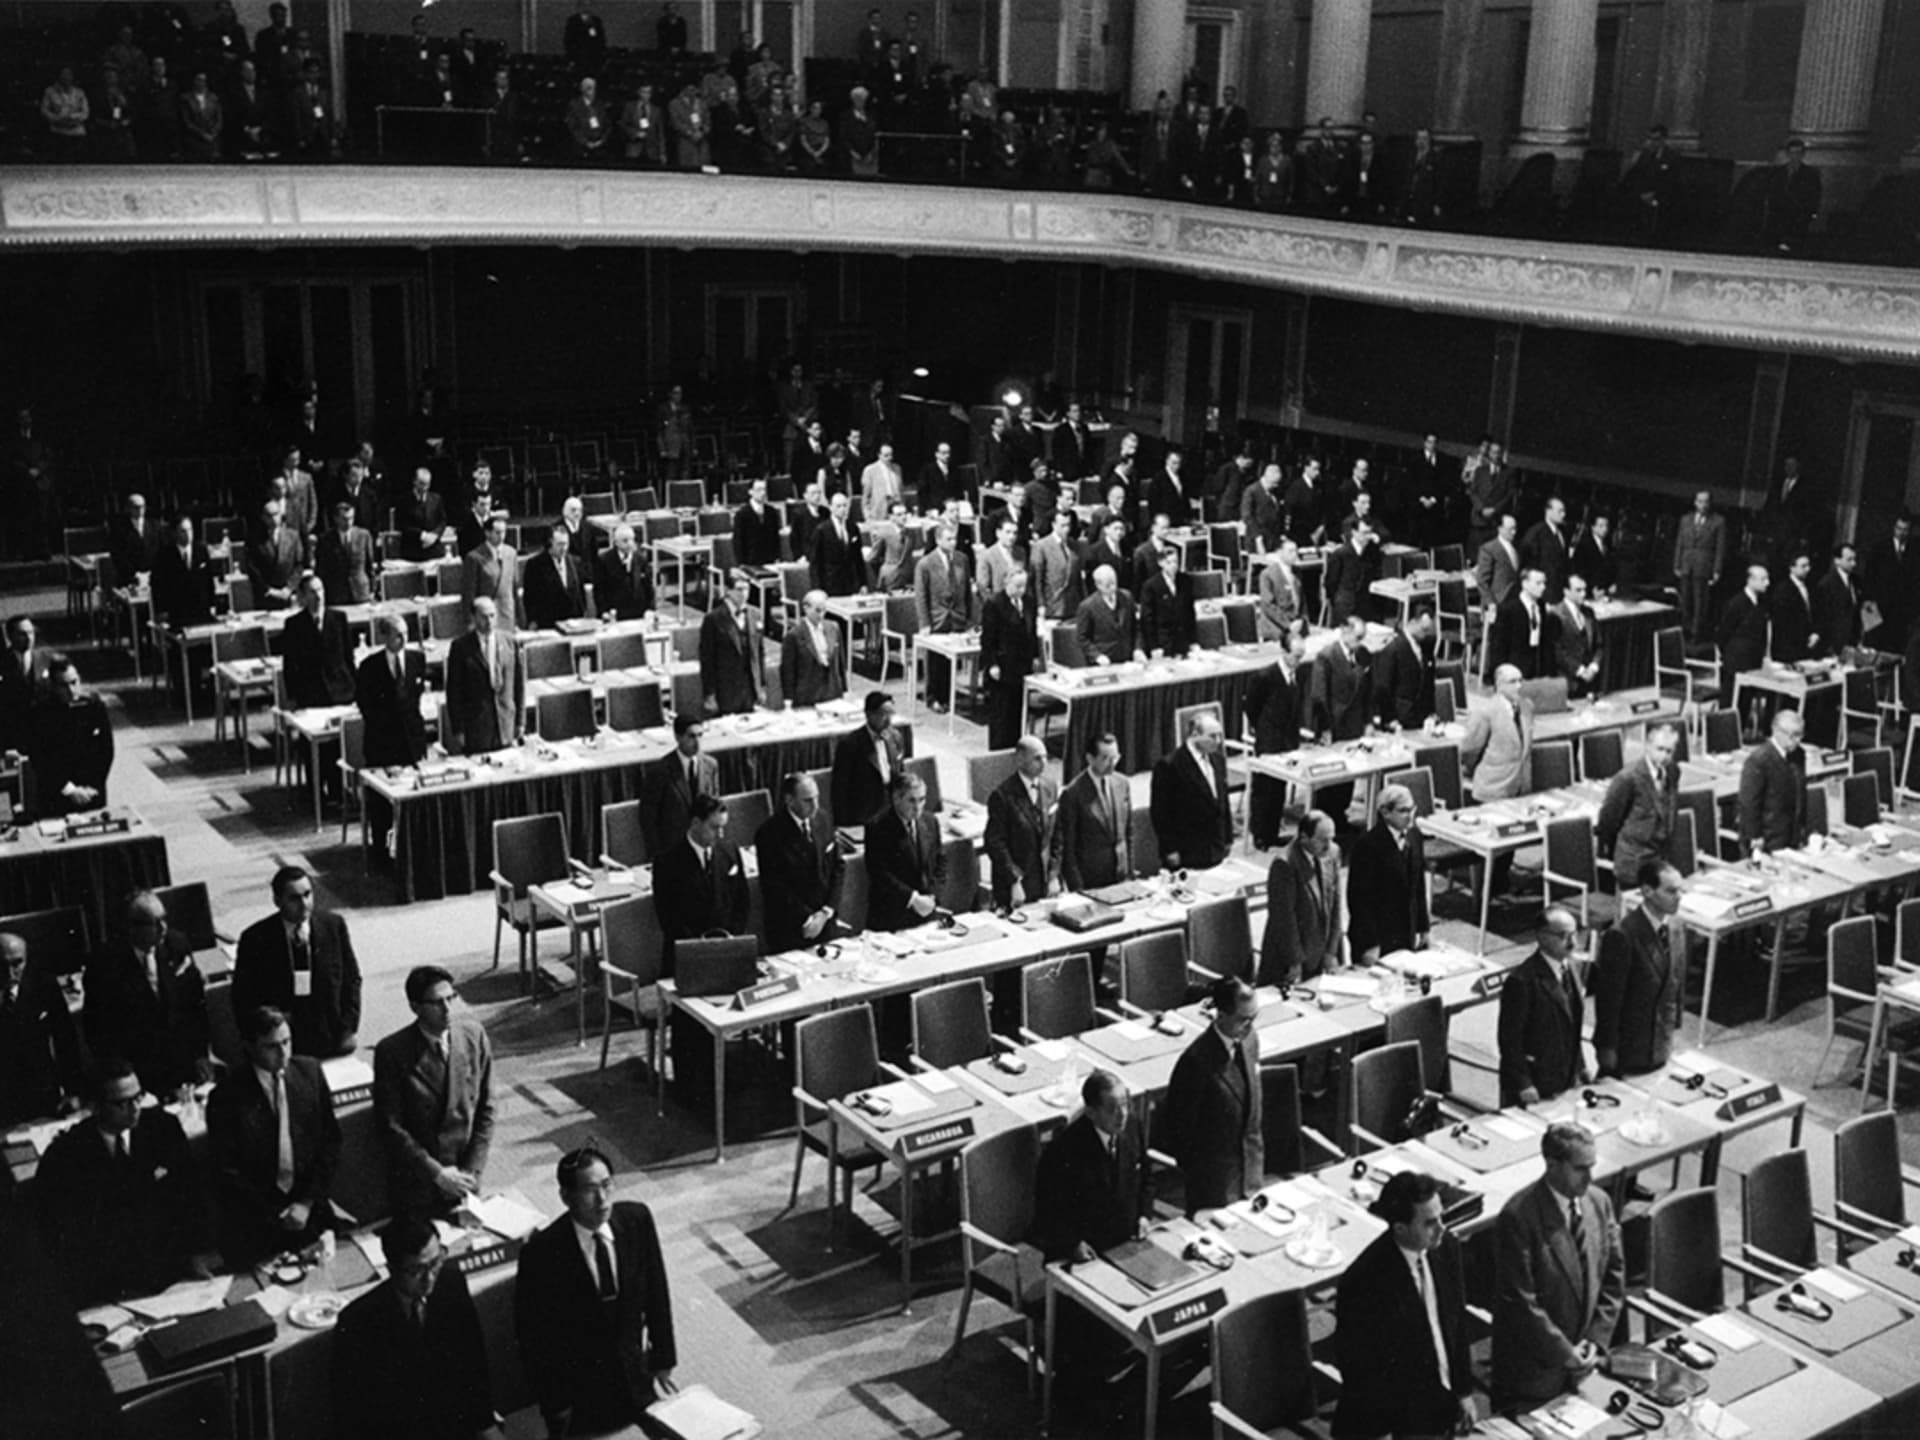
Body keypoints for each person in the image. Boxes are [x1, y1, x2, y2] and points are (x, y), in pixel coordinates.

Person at [516, 1147, 677, 1437]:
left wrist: (664, 1357)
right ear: (566, 1197)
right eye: (590, 1190)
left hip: (636, 1378)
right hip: (581, 1395)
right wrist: (556, 1404)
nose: (602, 1200)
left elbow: (657, 1291)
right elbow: (534, 1339)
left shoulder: (636, 1220)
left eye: (606, 1185)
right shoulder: (541, 1254)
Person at [34, 1057, 215, 1304]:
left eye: (138, 1097)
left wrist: (196, 1253)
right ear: (95, 1106)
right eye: (122, 1103)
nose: (135, 1108)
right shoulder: (66, 1156)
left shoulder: (163, 1128)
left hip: (173, 1273)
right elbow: (68, 1241)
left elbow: (192, 1197)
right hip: (107, 1287)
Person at [1334, 1171, 1477, 1440]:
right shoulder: (1363, 1282)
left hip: (1441, 1407)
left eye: (1441, 1218)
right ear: (1400, 1227)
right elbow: (1360, 1371)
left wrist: (1464, 1391)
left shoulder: (1446, 1248)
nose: (1442, 1229)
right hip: (1391, 1422)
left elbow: (1456, 1324)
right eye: (1430, 1223)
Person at [333, 1216, 504, 1440]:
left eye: (436, 1262)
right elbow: (354, 1414)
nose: (430, 1277)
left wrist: (485, 1424)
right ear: (392, 1269)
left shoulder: (451, 1284)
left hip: (453, 1425)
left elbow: (474, 1363)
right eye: (416, 1270)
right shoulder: (358, 1322)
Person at [1492, 1123, 1624, 1411]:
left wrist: (1595, 1340)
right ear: (1552, 1164)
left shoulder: (1599, 1203)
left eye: (1592, 1166)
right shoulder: (1518, 1217)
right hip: (1534, 1375)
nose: (1590, 1177)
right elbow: (1521, 1301)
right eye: (1580, 1168)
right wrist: (1566, 1353)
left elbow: (1613, 1276)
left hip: (1588, 1362)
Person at [207, 1004, 341, 1265]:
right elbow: (227, 1170)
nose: (283, 1053)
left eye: (287, 1042)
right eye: (272, 1046)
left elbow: (330, 1143)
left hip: (310, 1210)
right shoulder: (226, 1097)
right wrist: (278, 1213)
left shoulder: (310, 1072)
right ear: (249, 1047)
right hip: (259, 1219)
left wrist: (306, 1203)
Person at [372, 966, 494, 1219]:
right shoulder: (393, 1052)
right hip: (420, 1178)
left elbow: (487, 1107)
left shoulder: (473, 1035)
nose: (448, 1009)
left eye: (451, 998)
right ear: (415, 1007)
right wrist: (437, 1173)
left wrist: (471, 1172)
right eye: (437, 1003)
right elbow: (391, 1125)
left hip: (465, 1175)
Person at [82, 890, 211, 1097]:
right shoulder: (104, 964)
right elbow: (97, 1031)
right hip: (137, 1072)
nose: (163, 928)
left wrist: (200, 1054)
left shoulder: (176, 945)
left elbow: (195, 1007)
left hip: (182, 1063)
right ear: (131, 927)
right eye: (154, 923)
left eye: (164, 919)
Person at [232, 865, 362, 1058]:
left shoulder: (333, 926)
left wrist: (348, 1027)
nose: (304, 904)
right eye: (294, 898)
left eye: (308, 894)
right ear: (277, 901)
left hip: (330, 1034)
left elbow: (352, 980)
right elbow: (243, 996)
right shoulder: (255, 939)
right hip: (282, 1043)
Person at [1161, 977, 1263, 1212]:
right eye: (1243, 1019)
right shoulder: (1195, 1061)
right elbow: (1178, 1130)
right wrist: (1200, 1172)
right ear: (1221, 1015)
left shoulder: (1249, 1039)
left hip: (1251, 1171)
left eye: (1254, 1017)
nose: (1249, 1026)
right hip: (1213, 1182)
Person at [1033, 1070, 1148, 1262]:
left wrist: (1144, 1214)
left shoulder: (1133, 1127)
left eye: (1125, 1105)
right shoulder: (1064, 1150)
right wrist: (1072, 1244)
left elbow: (1146, 1177)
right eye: (1112, 1108)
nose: (1123, 1115)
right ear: (1091, 1112)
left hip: (1128, 1242)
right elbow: (1048, 1211)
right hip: (1085, 1250)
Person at [1592, 861, 1684, 1080]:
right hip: (1629, 1048)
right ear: (1647, 891)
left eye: (1680, 890)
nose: (1678, 897)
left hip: (1661, 1044)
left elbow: (1675, 980)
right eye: (1671, 891)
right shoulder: (1622, 935)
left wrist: (1673, 1028)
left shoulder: (1677, 926)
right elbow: (1609, 1000)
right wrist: (1607, 1048)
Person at [1497, 907, 1588, 1107]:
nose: (1572, 942)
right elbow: (1509, 1040)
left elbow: (1571, 1025)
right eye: (1563, 936)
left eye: (1575, 934)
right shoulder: (1522, 981)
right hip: (1535, 1081)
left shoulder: (1572, 968)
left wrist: (1580, 1066)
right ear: (1542, 937)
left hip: (1566, 1075)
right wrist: (1524, 1083)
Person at [652, 794, 752, 976]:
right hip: (688, 959)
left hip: (728, 951)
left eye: (723, 827)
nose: (720, 834)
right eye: (715, 828)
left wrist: (730, 940)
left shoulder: (730, 851)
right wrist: (704, 950)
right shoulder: (667, 862)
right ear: (696, 823)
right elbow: (670, 919)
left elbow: (742, 901)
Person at [0, 930, 83, 1124]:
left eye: (17, 963)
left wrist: (74, 1091)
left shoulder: (43, 986)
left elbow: (66, 1040)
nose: (10, 973)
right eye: (1, 965)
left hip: (41, 1093)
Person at [756, 772, 845, 953]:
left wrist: (826, 912)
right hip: (791, 929)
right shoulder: (769, 834)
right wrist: (808, 918)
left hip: (825, 923)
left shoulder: (824, 819)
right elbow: (775, 887)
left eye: (817, 798)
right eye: (807, 800)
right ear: (789, 800)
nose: (815, 806)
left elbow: (838, 867)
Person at [1244, 619, 1310, 847]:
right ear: (1283, 652)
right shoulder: (1265, 677)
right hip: (1269, 740)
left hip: (1288, 740)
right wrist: (1263, 729)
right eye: (1295, 657)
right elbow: (1252, 707)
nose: (1298, 662)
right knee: (1264, 790)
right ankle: (1260, 835)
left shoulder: (1296, 676)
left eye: (1301, 657)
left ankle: (1272, 832)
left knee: (1278, 789)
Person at [1347, 784, 1430, 965]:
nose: (1410, 816)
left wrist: (1423, 928)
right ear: (1385, 812)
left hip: (1406, 932)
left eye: (1412, 809)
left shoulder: (1414, 836)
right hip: (1377, 938)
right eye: (1403, 811)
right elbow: (1359, 901)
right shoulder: (1367, 845)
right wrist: (1370, 943)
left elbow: (1419, 886)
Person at [1260, 808, 1344, 985]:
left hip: (1323, 951)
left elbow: (1336, 904)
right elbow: (1284, 919)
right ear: (1304, 837)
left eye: (1331, 838)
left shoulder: (1333, 852)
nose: (1328, 846)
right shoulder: (1285, 864)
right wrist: (1294, 961)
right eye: (1322, 840)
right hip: (1292, 955)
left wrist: (1332, 951)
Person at [1595, 722, 1679, 885]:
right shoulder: (1628, 777)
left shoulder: (1673, 772)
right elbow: (1609, 820)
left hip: (1660, 858)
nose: (1664, 756)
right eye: (1659, 749)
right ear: (1648, 746)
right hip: (1634, 860)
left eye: (1669, 751)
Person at [28, 655, 114, 815]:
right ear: (53, 686)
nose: (71, 690)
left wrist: (93, 786)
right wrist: (70, 790)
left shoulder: (94, 706)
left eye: (74, 683)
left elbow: (106, 750)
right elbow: (40, 758)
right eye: (63, 685)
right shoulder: (41, 713)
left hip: (91, 793)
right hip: (57, 796)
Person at [1150, 709, 1232, 870]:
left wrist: (1227, 837)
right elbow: (1161, 813)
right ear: (1195, 734)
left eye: (1220, 735)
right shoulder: (1169, 766)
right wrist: (1170, 849)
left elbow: (1223, 801)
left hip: (1215, 846)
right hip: (1187, 849)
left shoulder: (1218, 760)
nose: (1219, 741)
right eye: (1212, 736)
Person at [866, 771, 947, 930]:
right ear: (896, 799)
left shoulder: (930, 821)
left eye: (922, 800)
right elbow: (880, 874)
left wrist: (933, 895)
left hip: (927, 911)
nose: (918, 807)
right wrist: (913, 899)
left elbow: (941, 861)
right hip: (892, 915)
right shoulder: (877, 827)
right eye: (911, 801)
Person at [1053, 733, 1133, 893]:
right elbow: (1068, 847)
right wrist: (1077, 887)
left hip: (1121, 876)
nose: (1112, 764)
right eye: (1105, 758)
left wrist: (1130, 871)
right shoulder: (1073, 793)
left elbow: (1129, 832)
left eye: (1115, 757)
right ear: (1090, 759)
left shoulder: (1122, 783)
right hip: (1091, 881)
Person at [985, 736, 1055, 911]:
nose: (1044, 763)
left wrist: (1054, 875)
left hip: (1045, 880)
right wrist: (1014, 880)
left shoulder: (1050, 787)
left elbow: (1057, 834)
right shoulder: (1002, 796)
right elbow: (995, 843)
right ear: (1020, 759)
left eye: (1046, 757)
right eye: (1037, 758)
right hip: (1017, 885)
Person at [444, 598, 521, 754]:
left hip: (505, 724)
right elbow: (454, 692)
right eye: (484, 617)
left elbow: (519, 685)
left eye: (492, 616)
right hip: (476, 728)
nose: (489, 621)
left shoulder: (510, 642)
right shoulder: (460, 647)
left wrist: (521, 722)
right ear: (473, 618)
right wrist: (458, 729)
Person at [914, 522, 976, 711]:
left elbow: (967, 591)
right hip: (936, 618)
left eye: (954, 538)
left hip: (957, 617)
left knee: (951, 662)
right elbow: (921, 596)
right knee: (935, 661)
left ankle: (948, 696)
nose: (953, 542)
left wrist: (969, 619)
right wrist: (925, 623)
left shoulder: (962, 559)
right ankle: (933, 697)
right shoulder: (925, 563)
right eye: (948, 539)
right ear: (938, 540)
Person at [830, 690, 907, 829]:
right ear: (868, 715)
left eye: (891, 714)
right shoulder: (850, 745)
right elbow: (839, 790)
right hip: (864, 813)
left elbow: (900, 774)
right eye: (884, 714)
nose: (889, 720)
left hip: (892, 809)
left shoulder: (895, 737)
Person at [980, 565, 1038, 747]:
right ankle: (999, 751)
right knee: (1002, 714)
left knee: (1018, 710)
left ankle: (1017, 747)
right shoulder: (994, 604)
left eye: (1023, 586)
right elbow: (988, 638)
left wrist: (1035, 657)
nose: (1021, 590)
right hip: (1003, 665)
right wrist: (992, 664)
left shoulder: (1029, 602)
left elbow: (1032, 632)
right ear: (1007, 583)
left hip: (1022, 664)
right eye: (1017, 586)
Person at [1738, 707, 1807, 856]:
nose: (1798, 740)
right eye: (1793, 735)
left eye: (1800, 734)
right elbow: (1749, 803)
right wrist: (1755, 837)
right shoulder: (1758, 760)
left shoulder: (1799, 755)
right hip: (1767, 840)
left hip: (1792, 836)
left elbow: (1800, 793)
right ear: (1776, 731)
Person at [698, 568, 765, 716]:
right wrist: (710, 694)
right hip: (725, 690)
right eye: (739, 589)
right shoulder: (713, 619)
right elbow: (707, 660)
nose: (744, 594)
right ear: (728, 591)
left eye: (747, 589)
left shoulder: (755, 614)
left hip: (749, 690)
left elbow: (759, 654)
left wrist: (761, 686)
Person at [1673, 490, 1726, 646]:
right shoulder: (1686, 519)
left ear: (1710, 503)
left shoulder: (1718, 521)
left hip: (1703, 566)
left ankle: (1696, 634)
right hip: (1686, 564)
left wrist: (1716, 570)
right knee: (1685, 601)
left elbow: (1720, 548)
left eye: (1706, 501)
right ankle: (1684, 630)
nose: (1702, 505)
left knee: (1700, 603)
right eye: (1700, 501)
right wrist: (1677, 563)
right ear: (1695, 502)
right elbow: (1680, 543)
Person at [1373, 609, 1437, 731]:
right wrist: (1389, 719)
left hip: (1422, 718)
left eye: (1428, 630)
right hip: (1400, 718)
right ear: (1412, 623)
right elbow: (1383, 687)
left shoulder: (1427, 645)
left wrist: (1431, 713)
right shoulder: (1393, 649)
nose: (1426, 634)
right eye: (1423, 629)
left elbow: (1429, 684)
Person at [780, 588, 845, 708]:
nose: (821, 615)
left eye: (824, 610)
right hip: (807, 695)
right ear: (806, 608)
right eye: (818, 611)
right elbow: (788, 671)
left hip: (832, 692)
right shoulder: (794, 635)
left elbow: (840, 663)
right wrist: (788, 700)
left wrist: (845, 690)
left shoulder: (834, 627)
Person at [1488, 566, 1553, 680]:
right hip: (1515, 668)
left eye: (1544, 583)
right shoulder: (1508, 609)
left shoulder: (1541, 606)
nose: (1543, 587)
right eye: (1538, 583)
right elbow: (1498, 646)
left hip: (1536, 668)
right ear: (1525, 584)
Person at [1074, 564, 1142, 666]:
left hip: (1128, 659)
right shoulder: (1087, 606)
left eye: (1114, 583)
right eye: (1108, 585)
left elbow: (1137, 628)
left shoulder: (1127, 597)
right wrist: (1097, 656)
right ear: (1098, 585)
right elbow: (1082, 638)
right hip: (1104, 661)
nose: (1113, 587)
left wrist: (1138, 648)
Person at [462, 513, 521, 629]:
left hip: (507, 614)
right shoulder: (474, 557)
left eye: (504, 532)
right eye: (497, 533)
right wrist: (470, 621)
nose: (502, 536)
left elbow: (515, 587)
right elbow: (469, 592)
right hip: (486, 616)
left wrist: (520, 617)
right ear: (487, 533)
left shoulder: (511, 553)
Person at [523, 524, 588, 630]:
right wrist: (533, 620)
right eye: (560, 544)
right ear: (550, 543)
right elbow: (530, 597)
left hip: (573, 623)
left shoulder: (575, 562)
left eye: (566, 544)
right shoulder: (535, 565)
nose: (564, 548)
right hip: (548, 623)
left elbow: (580, 593)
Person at [314, 500, 374, 603]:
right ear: (336, 519)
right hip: (336, 594)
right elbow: (321, 569)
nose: (349, 523)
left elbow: (370, 566)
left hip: (361, 593)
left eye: (351, 518)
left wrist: (372, 589)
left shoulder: (364, 535)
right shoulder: (326, 539)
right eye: (344, 519)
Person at [1554, 572, 1603, 697]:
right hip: (1568, 682)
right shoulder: (1555, 615)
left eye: (1584, 590)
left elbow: (1599, 645)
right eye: (1578, 590)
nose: (1584, 594)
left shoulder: (1589, 612)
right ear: (1566, 591)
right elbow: (1557, 650)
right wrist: (1580, 671)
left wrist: (1593, 667)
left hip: (1592, 683)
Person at [593, 523, 653, 621]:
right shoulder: (604, 560)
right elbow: (599, 589)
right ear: (616, 542)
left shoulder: (641, 559)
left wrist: (650, 608)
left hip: (638, 612)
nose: (630, 544)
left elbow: (649, 587)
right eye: (625, 541)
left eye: (632, 540)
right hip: (615, 613)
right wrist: (604, 611)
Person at [809, 491, 863, 596]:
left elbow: (858, 558)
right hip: (830, 583)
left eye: (845, 505)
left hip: (850, 582)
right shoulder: (821, 530)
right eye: (838, 506)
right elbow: (815, 562)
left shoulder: (853, 527)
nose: (843, 509)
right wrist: (817, 589)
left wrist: (863, 583)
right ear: (830, 507)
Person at [1812, 542, 1862, 656]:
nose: (1854, 563)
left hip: (1852, 640)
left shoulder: (1856, 581)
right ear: (1837, 560)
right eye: (1849, 560)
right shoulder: (1826, 584)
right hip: (1834, 643)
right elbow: (1824, 617)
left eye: (1854, 559)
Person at [1521, 496, 1572, 603]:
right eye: (1560, 511)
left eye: (1564, 511)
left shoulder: (1563, 534)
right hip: (1543, 593)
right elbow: (1530, 564)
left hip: (1560, 592)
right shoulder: (1536, 533)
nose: (1563, 514)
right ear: (1548, 511)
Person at [1255, 540, 1303, 641]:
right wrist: (1288, 625)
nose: (1294, 555)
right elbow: (1268, 605)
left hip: (1297, 625)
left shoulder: (1297, 572)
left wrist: (1302, 621)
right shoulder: (1267, 574)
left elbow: (1302, 601)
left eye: (1296, 551)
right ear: (1280, 553)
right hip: (1276, 627)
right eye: (1290, 551)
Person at [1475, 513, 1523, 614]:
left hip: (1516, 600)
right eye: (1510, 529)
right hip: (1499, 601)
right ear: (1500, 529)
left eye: (1515, 528)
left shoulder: (1517, 547)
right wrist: (1490, 602)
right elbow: (1482, 580)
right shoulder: (1489, 549)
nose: (1514, 532)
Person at [1571, 512, 1617, 596]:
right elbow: (1579, 570)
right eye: (1601, 526)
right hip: (1590, 591)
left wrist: (1611, 584)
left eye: (1606, 526)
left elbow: (1611, 567)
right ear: (1593, 527)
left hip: (1605, 591)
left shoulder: (1607, 545)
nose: (1605, 529)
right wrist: (1590, 589)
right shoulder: (1584, 545)